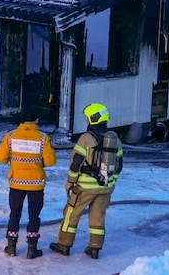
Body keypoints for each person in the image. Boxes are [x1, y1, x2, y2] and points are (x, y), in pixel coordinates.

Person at [50, 103, 124, 259]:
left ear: (92, 119)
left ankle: (63, 245)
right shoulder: (115, 139)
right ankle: (95, 248)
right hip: (106, 187)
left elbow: (76, 162)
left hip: (85, 187)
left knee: (71, 213)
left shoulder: (86, 138)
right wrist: (111, 182)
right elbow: (119, 166)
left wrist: (70, 181)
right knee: (98, 216)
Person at [0, 111, 56, 259]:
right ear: (36, 119)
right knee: (34, 216)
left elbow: (0, 157)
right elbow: (50, 161)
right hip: (36, 184)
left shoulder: (10, 136)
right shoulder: (43, 138)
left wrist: (13, 161)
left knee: (14, 214)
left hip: (16, 182)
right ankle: (31, 249)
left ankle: (11, 247)